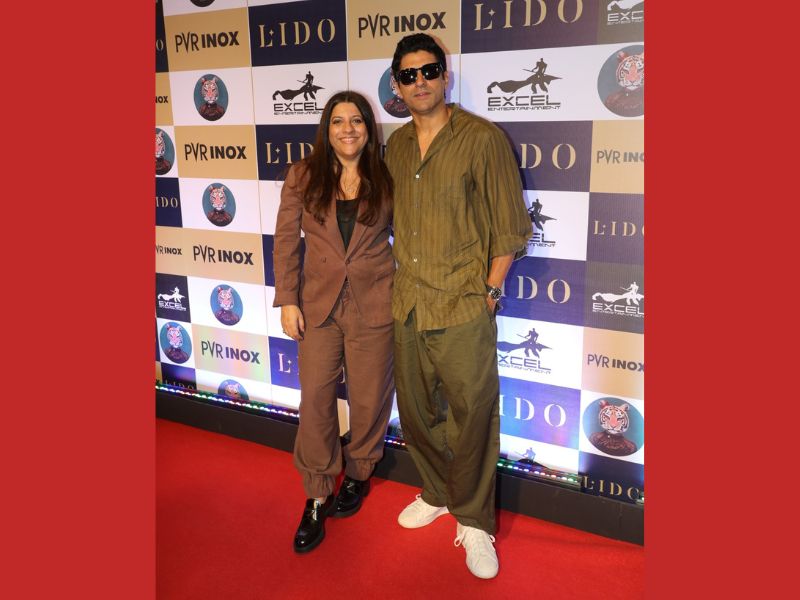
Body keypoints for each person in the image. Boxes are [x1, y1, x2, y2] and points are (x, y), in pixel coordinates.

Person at [384, 33, 532, 579]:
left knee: (472, 418)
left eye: (429, 71)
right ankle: (437, 491)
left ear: (445, 76)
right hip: (408, 305)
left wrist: (490, 293)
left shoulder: (482, 139)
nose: (420, 81)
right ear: (397, 85)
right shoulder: (396, 146)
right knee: (417, 412)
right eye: (408, 75)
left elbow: (509, 229)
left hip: (465, 306)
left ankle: (473, 520)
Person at [272, 91, 395, 554]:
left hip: (375, 304)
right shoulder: (303, 175)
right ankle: (317, 492)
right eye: (338, 121)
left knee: (369, 398)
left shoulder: (386, 175)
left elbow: (411, 236)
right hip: (318, 307)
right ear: (326, 128)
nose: (348, 129)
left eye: (357, 120)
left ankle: (359, 471)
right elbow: (286, 240)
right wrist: (288, 299)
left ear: (368, 128)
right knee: (316, 402)